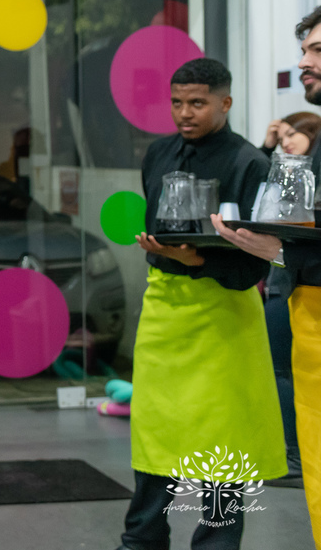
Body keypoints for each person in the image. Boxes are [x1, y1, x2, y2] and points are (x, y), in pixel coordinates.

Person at [118, 58, 286, 550]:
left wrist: (195, 261)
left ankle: (217, 545)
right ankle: (141, 540)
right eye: (176, 103)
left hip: (225, 315)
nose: (184, 113)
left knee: (222, 449)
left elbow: (256, 265)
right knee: (154, 440)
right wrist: (169, 255)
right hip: (164, 311)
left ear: (225, 103)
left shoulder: (250, 163)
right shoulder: (157, 153)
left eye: (197, 103)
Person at [212, 6, 321, 549]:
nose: (304, 62)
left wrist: (277, 250)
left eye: (317, 50)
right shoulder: (308, 156)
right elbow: (298, 227)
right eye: (304, 50)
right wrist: (276, 250)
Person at [258, 111, 319, 484]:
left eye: (294, 133)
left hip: (300, 277)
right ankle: (291, 452)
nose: (286, 141)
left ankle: (295, 457)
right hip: (283, 276)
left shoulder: (310, 178)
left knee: (285, 371)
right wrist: (267, 146)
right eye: (282, 137)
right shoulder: (288, 175)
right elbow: (259, 199)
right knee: (281, 368)